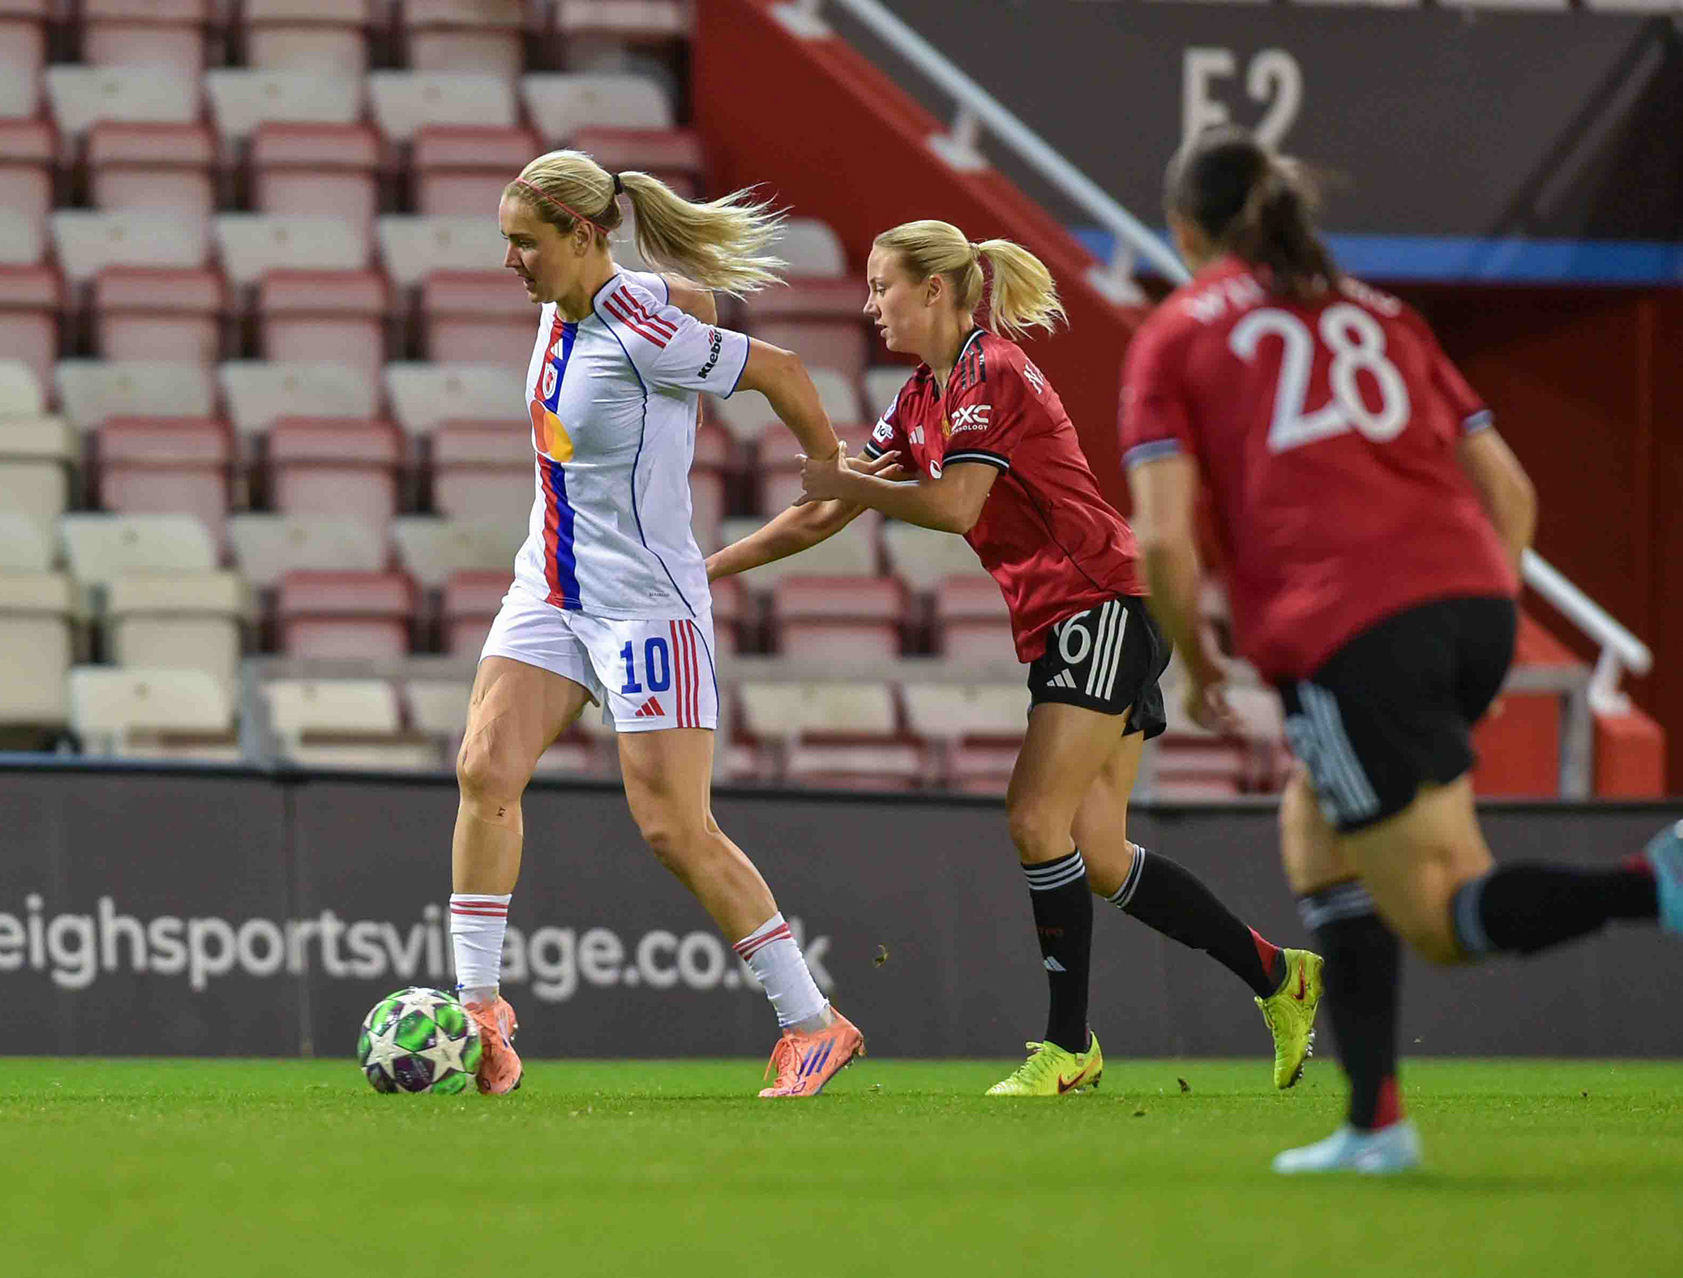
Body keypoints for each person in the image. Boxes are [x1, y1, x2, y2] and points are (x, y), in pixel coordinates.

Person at [1123, 125, 1683, 1173]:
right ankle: (1373, 1124)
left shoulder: (1178, 333)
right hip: (1474, 607)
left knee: (1439, 916)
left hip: (1351, 627)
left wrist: (1197, 669)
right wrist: (1468, 620)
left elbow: (1160, 539)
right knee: (1315, 828)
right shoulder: (1384, 315)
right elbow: (1510, 491)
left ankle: (1657, 883)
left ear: (1184, 230)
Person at [707, 218, 1322, 1098]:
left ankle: (1069, 1048)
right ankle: (1279, 975)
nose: (871, 303)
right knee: (1098, 853)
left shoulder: (990, 372)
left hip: (1099, 604)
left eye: (882, 285)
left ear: (932, 289)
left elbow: (957, 504)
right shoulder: (920, 396)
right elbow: (823, 513)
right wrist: (707, 570)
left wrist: (852, 483)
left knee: (1035, 818)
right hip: (1075, 617)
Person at [449, 150, 865, 1098]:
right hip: (551, 589)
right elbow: (686, 296)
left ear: (580, 235)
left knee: (674, 827)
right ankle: (480, 1011)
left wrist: (826, 471)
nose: (511, 261)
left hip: (645, 606)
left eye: (525, 243)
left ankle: (813, 1023)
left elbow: (781, 369)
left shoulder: (643, 333)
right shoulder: (568, 304)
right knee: (484, 768)